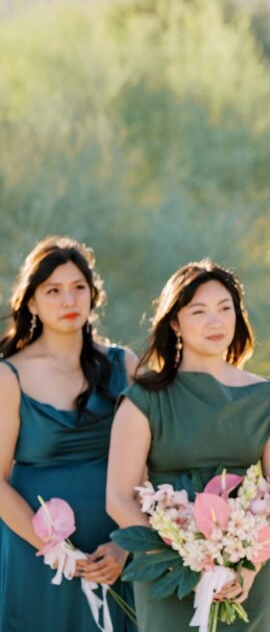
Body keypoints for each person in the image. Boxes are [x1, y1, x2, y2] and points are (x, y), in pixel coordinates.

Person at [106, 260, 270, 631]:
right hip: (169, 576)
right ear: (175, 323)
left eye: (225, 309)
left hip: (248, 577)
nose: (215, 321)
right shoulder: (143, 399)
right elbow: (118, 499)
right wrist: (185, 562)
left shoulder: (265, 396)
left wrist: (249, 567)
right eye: (199, 311)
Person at [0, 236, 137, 631]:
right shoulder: (9, 375)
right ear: (31, 302)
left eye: (78, 287)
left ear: (93, 294)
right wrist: (54, 550)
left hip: (113, 553)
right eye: (53, 291)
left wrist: (127, 543)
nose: (69, 300)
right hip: (36, 555)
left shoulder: (125, 365)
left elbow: (149, 466)